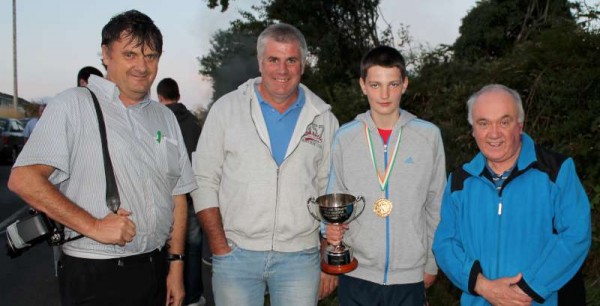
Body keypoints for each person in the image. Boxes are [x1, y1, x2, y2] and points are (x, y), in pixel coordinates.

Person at [8, 10, 196, 306]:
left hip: (156, 269)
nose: (142, 66)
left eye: (150, 56)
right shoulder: (73, 105)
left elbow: (178, 195)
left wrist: (176, 264)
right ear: (106, 54)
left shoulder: (165, 118)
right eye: (130, 54)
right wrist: (94, 226)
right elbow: (24, 179)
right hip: (96, 273)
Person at [191, 22, 339, 306]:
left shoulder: (324, 119)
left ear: (302, 65)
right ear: (260, 63)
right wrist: (219, 245)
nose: (282, 70)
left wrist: (327, 253)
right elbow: (204, 178)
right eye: (273, 60)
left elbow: (328, 189)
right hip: (236, 254)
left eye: (291, 60)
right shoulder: (227, 109)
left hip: (301, 259)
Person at [432, 84, 591, 306]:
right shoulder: (460, 182)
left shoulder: (556, 171)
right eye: (484, 123)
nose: (494, 133)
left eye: (504, 122)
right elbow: (445, 243)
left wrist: (527, 289)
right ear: (473, 130)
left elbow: (576, 236)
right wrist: (482, 286)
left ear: (520, 126)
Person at [325, 46, 446, 305]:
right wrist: (330, 232)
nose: (384, 94)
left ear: (404, 84)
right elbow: (334, 200)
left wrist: (431, 263)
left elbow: (436, 205)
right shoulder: (345, 138)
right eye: (375, 84)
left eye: (392, 84)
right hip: (356, 272)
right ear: (362, 85)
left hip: (410, 275)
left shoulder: (428, 136)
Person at [157, 77, 206, 306]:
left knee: (170, 251)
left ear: (160, 97)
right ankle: (194, 297)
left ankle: (171, 295)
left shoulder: (158, 122)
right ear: (178, 94)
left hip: (168, 199)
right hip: (193, 196)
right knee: (194, 248)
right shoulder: (194, 123)